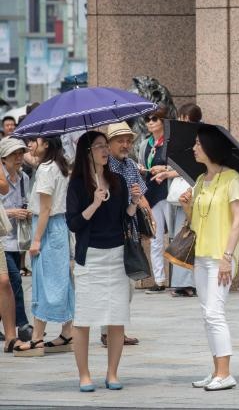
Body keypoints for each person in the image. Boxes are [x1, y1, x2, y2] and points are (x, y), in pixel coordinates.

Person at [66, 131, 141, 392]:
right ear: (87, 152)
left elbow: (124, 218)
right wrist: (95, 203)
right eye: (98, 146)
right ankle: (84, 375)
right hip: (91, 258)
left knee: (117, 317)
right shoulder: (77, 184)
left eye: (104, 146)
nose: (104, 151)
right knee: (84, 318)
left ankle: (112, 373)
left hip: (117, 255)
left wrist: (134, 203)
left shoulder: (117, 180)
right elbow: (73, 223)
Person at [178, 125, 239, 391]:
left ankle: (226, 373)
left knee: (215, 313)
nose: (194, 148)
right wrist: (187, 205)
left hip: (221, 257)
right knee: (207, 314)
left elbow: (238, 221)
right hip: (202, 255)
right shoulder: (199, 181)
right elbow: (195, 222)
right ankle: (216, 370)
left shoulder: (233, 179)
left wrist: (227, 256)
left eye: (197, 144)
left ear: (209, 147)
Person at [12, 137, 74, 357]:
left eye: (34, 141)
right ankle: (67, 332)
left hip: (47, 227)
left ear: (46, 144)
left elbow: (46, 208)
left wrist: (36, 239)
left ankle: (37, 338)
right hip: (59, 226)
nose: (30, 145)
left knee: (43, 282)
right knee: (61, 280)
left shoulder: (47, 169)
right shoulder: (60, 165)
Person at [99, 122, 147, 346]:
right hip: (109, 232)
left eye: (128, 140)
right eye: (120, 140)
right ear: (108, 144)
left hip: (130, 229)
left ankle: (116, 329)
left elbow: (140, 195)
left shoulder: (131, 166)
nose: (125, 144)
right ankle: (109, 331)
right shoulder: (103, 167)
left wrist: (142, 206)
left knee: (127, 283)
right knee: (114, 284)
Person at [166, 104, 202, 297]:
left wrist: (166, 173)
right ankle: (182, 282)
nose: (181, 122)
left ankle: (188, 283)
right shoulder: (187, 138)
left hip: (193, 194)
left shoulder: (197, 140)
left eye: (184, 119)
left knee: (187, 236)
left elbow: (192, 168)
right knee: (182, 236)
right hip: (185, 196)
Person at [0, 137, 33, 343]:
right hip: (3, 238)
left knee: (7, 284)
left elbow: (27, 201)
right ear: (4, 158)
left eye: (21, 153)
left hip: (17, 240)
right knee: (13, 279)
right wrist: (12, 213)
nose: (19, 157)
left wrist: (27, 212)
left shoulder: (24, 179)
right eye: (14, 154)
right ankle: (22, 324)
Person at [140, 108, 170, 293]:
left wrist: (163, 168)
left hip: (169, 192)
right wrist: (143, 169)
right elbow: (143, 162)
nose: (150, 122)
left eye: (154, 119)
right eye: (147, 119)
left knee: (176, 235)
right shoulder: (146, 144)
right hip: (151, 192)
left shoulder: (169, 142)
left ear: (163, 121)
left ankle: (184, 282)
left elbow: (178, 166)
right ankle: (159, 280)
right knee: (155, 238)